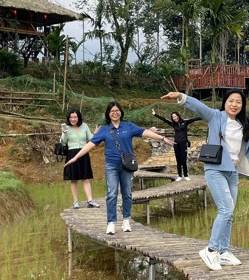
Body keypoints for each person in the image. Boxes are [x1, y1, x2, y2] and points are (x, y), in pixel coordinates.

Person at [161, 89, 249, 271]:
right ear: (225, 102)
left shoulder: (244, 122)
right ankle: (211, 250)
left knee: (229, 212)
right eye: (231, 101)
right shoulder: (215, 116)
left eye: (238, 101)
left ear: (242, 105)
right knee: (226, 208)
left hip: (232, 171)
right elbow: (198, 106)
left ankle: (223, 252)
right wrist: (180, 96)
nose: (234, 104)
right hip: (215, 169)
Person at [64, 101, 171, 235]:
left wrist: (162, 138)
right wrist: (75, 158)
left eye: (117, 111)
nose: (115, 113)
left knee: (127, 193)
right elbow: (89, 145)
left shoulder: (129, 126)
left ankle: (126, 220)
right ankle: (111, 222)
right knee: (111, 193)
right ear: (108, 114)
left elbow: (146, 133)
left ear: (120, 112)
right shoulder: (104, 129)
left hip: (127, 165)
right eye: (112, 111)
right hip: (111, 166)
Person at [60, 110, 100, 210]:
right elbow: (63, 142)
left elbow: (90, 139)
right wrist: (64, 133)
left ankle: (90, 200)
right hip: (72, 153)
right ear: (68, 118)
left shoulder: (84, 126)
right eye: (71, 117)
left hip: (83, 153)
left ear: (79, 117)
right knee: (73, 180)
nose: (73, 119)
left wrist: (95, 134)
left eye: (75, 117)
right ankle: (75, 202)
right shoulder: (67, 128)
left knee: (85, 178)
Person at [151, 108, 201, 181]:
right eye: (173, 117)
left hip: (184, 143)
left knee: (183, 160)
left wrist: (205, 115)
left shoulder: (185, 122)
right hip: (176, 143)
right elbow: (164, 119)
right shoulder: (173, 124)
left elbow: (194, 119)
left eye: (175, 116)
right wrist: (155, 114)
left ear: (178, 115)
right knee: (178, 160)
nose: (175, 118)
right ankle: (179, 175)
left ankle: (186, 175)